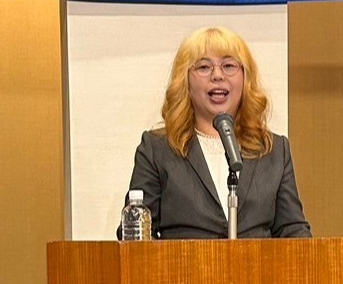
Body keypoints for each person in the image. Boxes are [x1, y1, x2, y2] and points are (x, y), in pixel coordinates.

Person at [124, 26, 311, 239]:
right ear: (185, 81)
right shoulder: (157, 149)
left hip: (257, 262)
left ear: (245, 79)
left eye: (228, 66)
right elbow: (135, 235)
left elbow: (293, 231)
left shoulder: (274, 150)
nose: (218, 75)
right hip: (183, 261)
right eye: (204, 67)